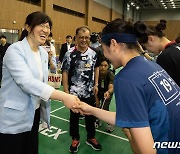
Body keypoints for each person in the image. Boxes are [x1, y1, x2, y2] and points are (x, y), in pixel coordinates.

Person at [73, 18, 180, 154]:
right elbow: (133, 115)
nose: (105, 55)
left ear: (113, 44)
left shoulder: (126, 78)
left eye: (104, 49)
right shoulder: (153, 65)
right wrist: (91, 110)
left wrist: (128, 132)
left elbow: (147, 151)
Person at [0, 11, 80, 154]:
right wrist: (63, 96)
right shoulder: (15, 50)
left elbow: (42, 81)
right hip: (14, 116)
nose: (46, 30)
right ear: (28, 27)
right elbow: (27, 82)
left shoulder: (43, 53)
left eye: (48, 27)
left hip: (34, 111)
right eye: (41, 25)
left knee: (31, 149)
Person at [61, 26, 101, 153]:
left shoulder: (94, 53)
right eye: (81, 37)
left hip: (89, 92)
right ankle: (75, 138)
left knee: (90, 115)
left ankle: (91, 137)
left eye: (87, 37)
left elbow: (97, 68)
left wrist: (96, 84)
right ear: (76, 38)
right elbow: (65, 72)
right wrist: (66, 91)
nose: (84, 40)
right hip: (74, 93)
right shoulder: (69, 54)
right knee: (74, 117)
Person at [134, 20, 180, 86]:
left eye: (145, 47)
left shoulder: (165, 57)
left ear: (151, 39)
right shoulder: (176, 47)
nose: (148, 50)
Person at [95, 56, 114, 132]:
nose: (103, 67)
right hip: (98, 91)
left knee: (105, 108)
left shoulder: (110, 74)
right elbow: (94, 87)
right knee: (96, 106)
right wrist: (96, 100)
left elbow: (111, 87)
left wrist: (108, 92)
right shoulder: (96, 73)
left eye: (105, 66)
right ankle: (98, 120)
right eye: (101, 65)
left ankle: (110, 123)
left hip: (107, 92)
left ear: (108, 66)